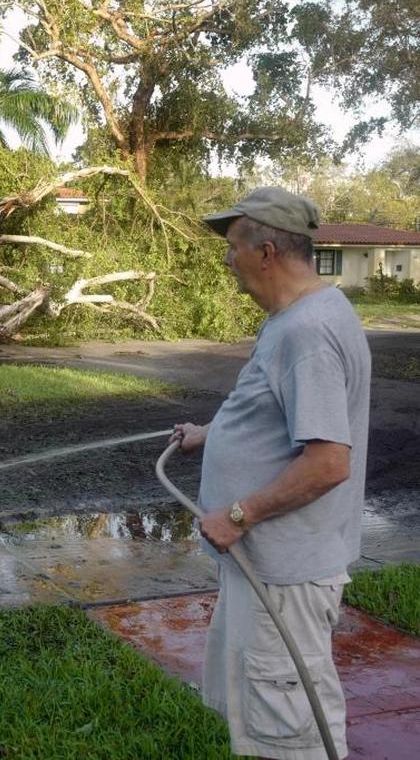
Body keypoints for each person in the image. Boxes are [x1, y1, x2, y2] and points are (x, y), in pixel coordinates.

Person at [172, 186, 370, 759]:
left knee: (292, 726)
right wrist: (212, 435)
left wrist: (240, 514)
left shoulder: (306, 333)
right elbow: (283, 414)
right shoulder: (299, 316)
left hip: (285, 570)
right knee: (267, 715)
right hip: (266, 565)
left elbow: (329, 461)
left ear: (265, 253)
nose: (227, 260)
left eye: (232, 247)